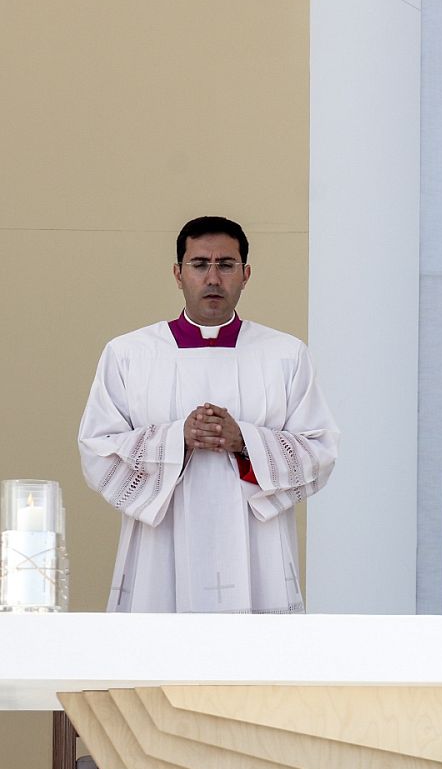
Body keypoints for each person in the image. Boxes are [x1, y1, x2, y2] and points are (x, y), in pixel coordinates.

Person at [78, 216, 339, 613]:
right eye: (200, 264)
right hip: (160, 546)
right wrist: (176, 438)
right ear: (178, 273)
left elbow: (320, 452)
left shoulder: (286, 355)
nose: (213, 277)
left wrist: (245, 441)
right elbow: (96, 450)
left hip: (257, 547)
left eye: (226, 265)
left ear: (246, 274)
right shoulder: (129, 354)